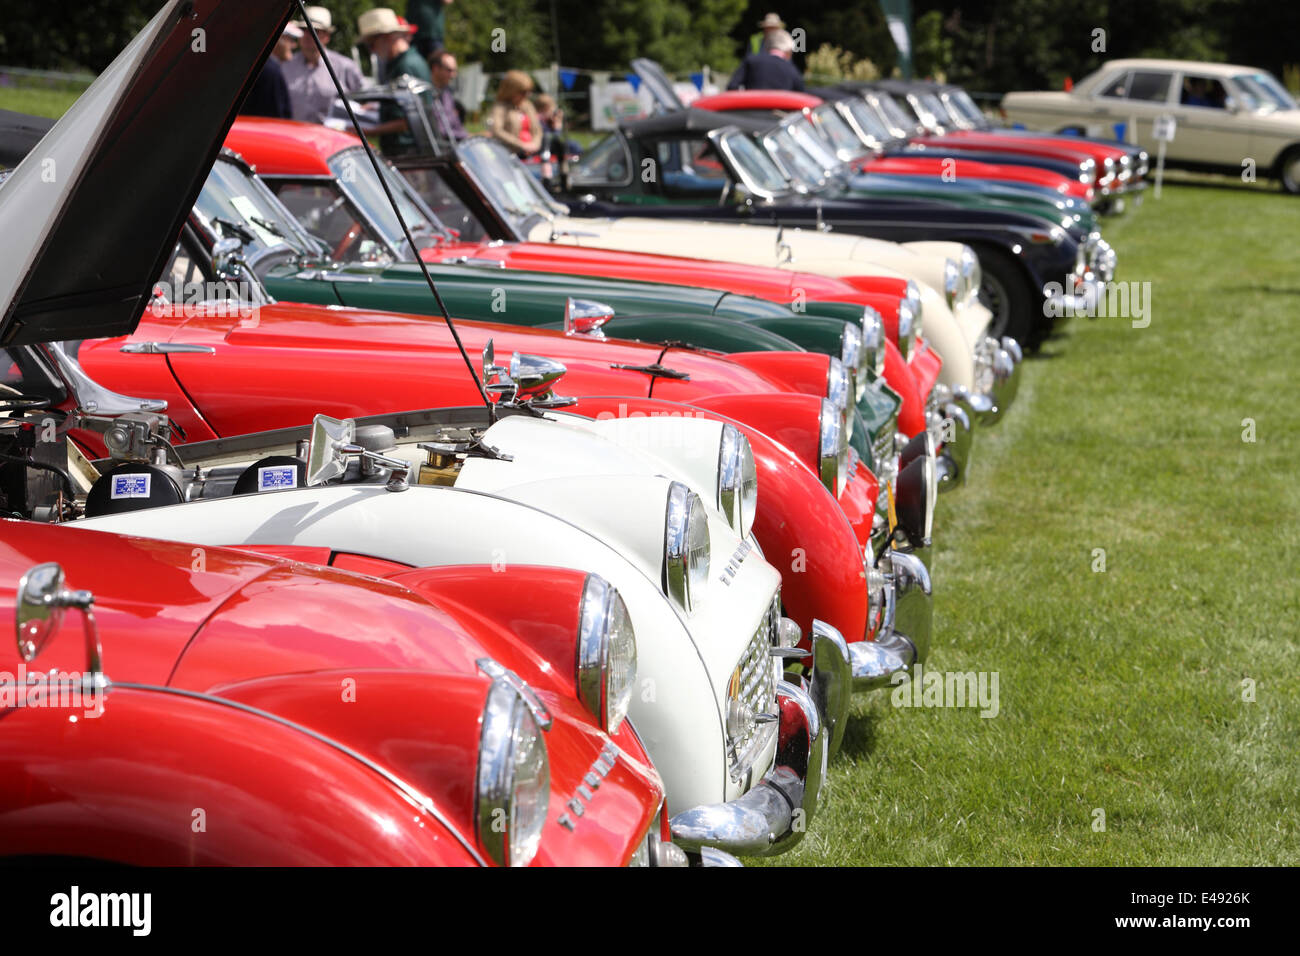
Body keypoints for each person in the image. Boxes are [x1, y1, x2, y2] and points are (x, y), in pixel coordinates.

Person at [359, 7, 432, 153]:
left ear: (387, 37)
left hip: (408, 152)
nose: (372, 51)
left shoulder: (405, 66)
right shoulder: (404, 62)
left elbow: (406, 121)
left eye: (371, 45)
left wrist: (365, 131)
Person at [283, 7, 365, 125]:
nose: (307, 35)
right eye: (303, 29)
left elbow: (365, 101)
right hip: (294, 136)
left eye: (314, 31)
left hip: (332, 138)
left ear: (327, 37)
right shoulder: (286, 65)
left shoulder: (345, 66)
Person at [728, 29, 803, 92]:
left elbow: (732, 86)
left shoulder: (751, 60)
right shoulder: (791, 69)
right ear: (788, 50)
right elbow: (800, 94)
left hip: (751, 107)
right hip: (779, 109)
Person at [488, 70, 542, 157]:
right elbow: (497, 131)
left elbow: (537, 129)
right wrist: (522, 145)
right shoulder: (500, 107)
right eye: (523, 92)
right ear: (511, 91)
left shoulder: (528, 105)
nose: (527, 95)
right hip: (511, 152)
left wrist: (535, 143)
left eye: (529, 91)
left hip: (532, 150)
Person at [242, 45, 293, 118]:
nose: (293, 45)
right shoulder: (270, 70)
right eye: (290, 40)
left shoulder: (268, 66)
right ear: (277, 42)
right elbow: (275, 112)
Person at [428, 49, 467, 140]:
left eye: (455, 71)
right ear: (435, 68)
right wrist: (466, 136)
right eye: (449, 70)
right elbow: (441, 130)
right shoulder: (426, 94)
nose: (453, 75)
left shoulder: (447, 92)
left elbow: (456, 123)